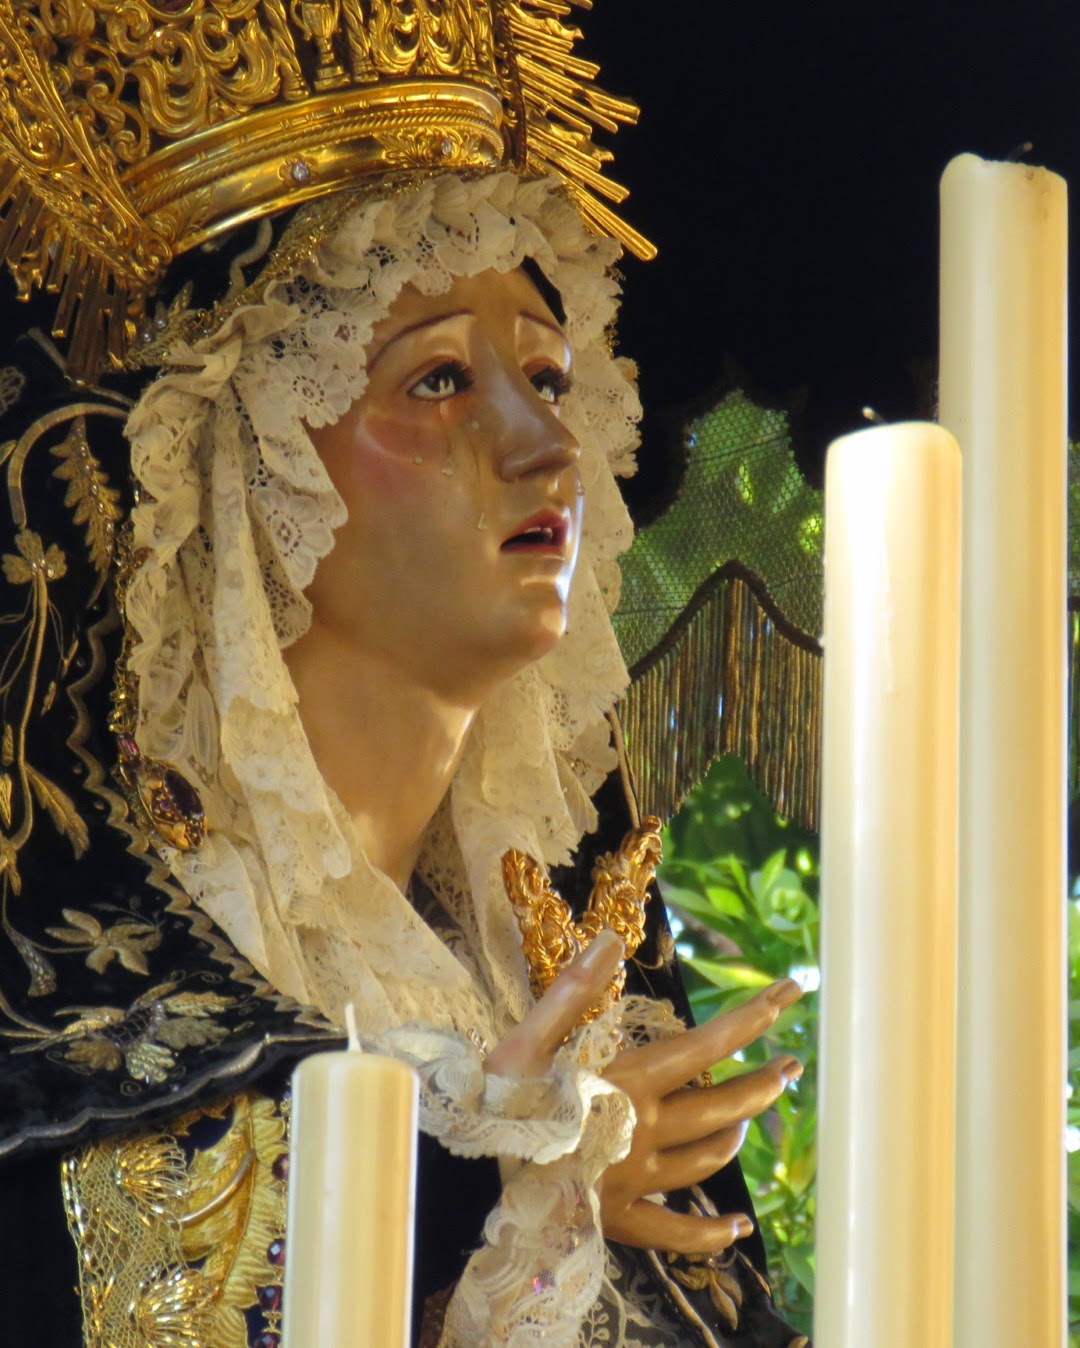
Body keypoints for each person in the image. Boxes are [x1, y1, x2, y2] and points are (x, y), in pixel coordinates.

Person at [0, 6, 809, 1345]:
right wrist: (497, 1205)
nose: (547, 443)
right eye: (437, 381)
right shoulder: (97, 1043)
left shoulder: (587, 1038)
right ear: (248, 476)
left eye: (548, 373)